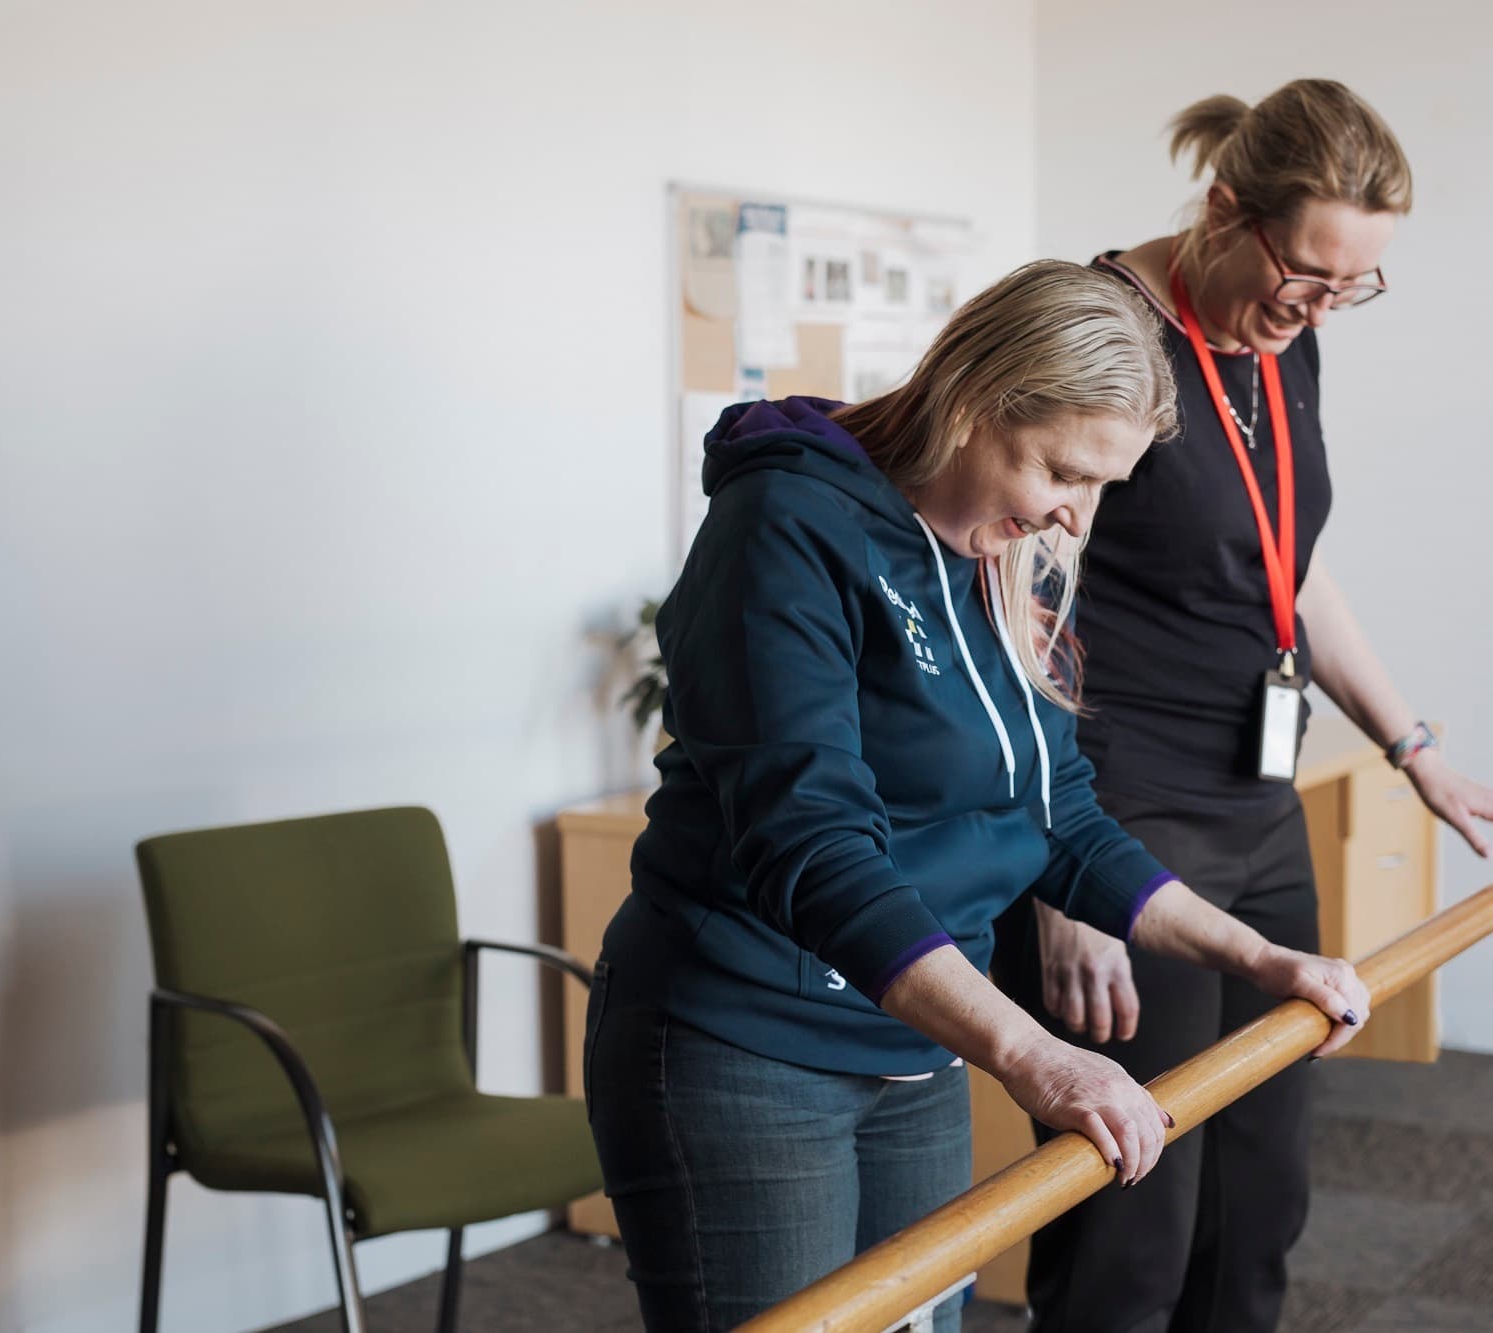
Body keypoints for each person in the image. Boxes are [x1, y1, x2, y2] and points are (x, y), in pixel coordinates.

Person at [583, 260, 1373, 1332]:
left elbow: (1060, 818)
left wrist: (1256, 957)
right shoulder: (786, 526)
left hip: (911, 1042)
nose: (1073, 516)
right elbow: (810, 844)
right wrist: (1032, 1052)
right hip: (748, 1042)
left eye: (1101, 487)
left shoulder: (997, 556)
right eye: (1061, 471)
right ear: (973, 402)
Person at [992, 83, 1493, 1333]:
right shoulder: (1101, 332)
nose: (1316, 308)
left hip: (1256, 808)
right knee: (1129, 1222)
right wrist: (1054, 877)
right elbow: (1010, 608)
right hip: (1119, 816)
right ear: (1221, 211)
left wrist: (1415, 752)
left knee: (1257, 1205)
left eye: (1351, 287)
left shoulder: (1278, 332)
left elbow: (1286, 566)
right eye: (1306, 273)